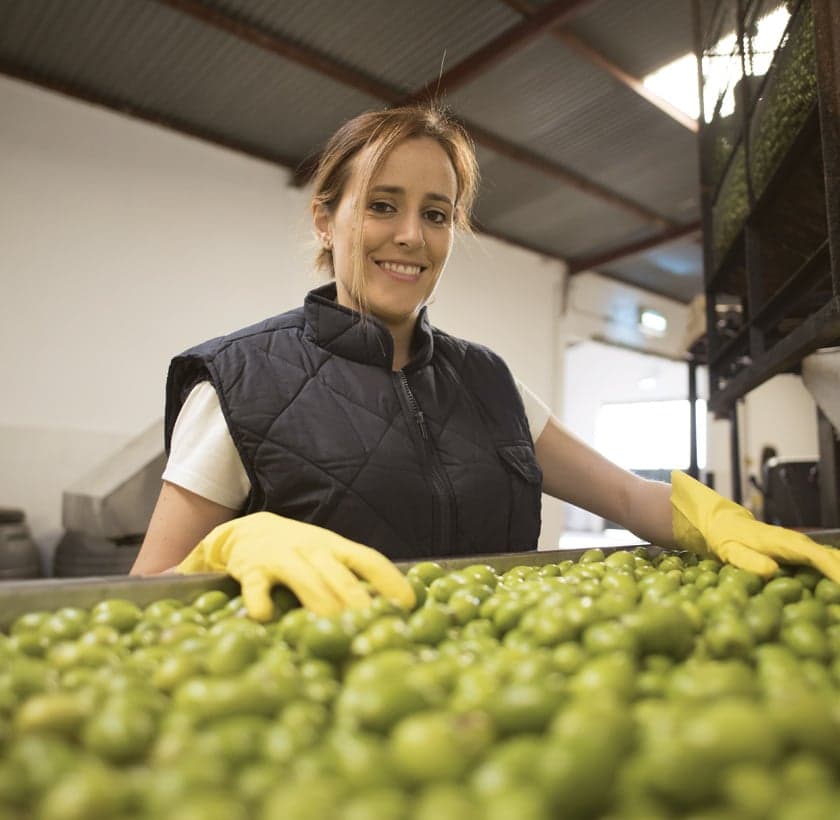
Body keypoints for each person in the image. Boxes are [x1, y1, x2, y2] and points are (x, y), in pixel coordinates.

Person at [130, 104, 840, 619]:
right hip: (314, 715)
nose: (410, 236)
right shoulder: (240, 381)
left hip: (491, 706)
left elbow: (626, 498)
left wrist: (715, 517)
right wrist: (226, 545)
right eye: (382, 206)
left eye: (436, 214)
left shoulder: (491, 384)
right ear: (326, 217)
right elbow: (148, 586)